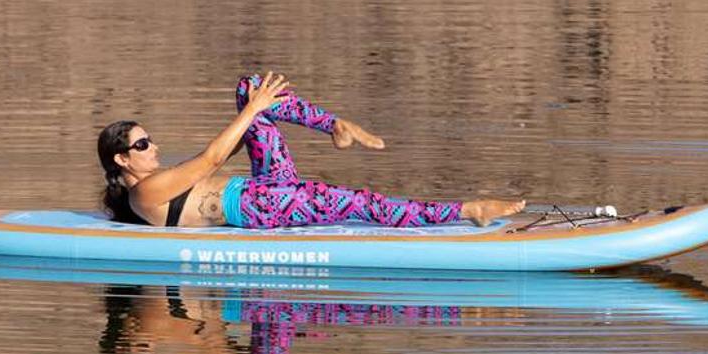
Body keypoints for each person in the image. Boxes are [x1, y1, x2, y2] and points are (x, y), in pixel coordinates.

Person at [96, 72, 526, 229]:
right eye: (142, 144)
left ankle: (335, 125)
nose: (154, 147)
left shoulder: (150, 181)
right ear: (122, 159)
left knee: (250, 84)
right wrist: (255, 112)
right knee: (363, 202)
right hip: (260, 208)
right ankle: (470, 210)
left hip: (265, 187)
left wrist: (254, 105)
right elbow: (211, 159)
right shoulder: (144, 194)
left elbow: (218, 159)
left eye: (149, 140)